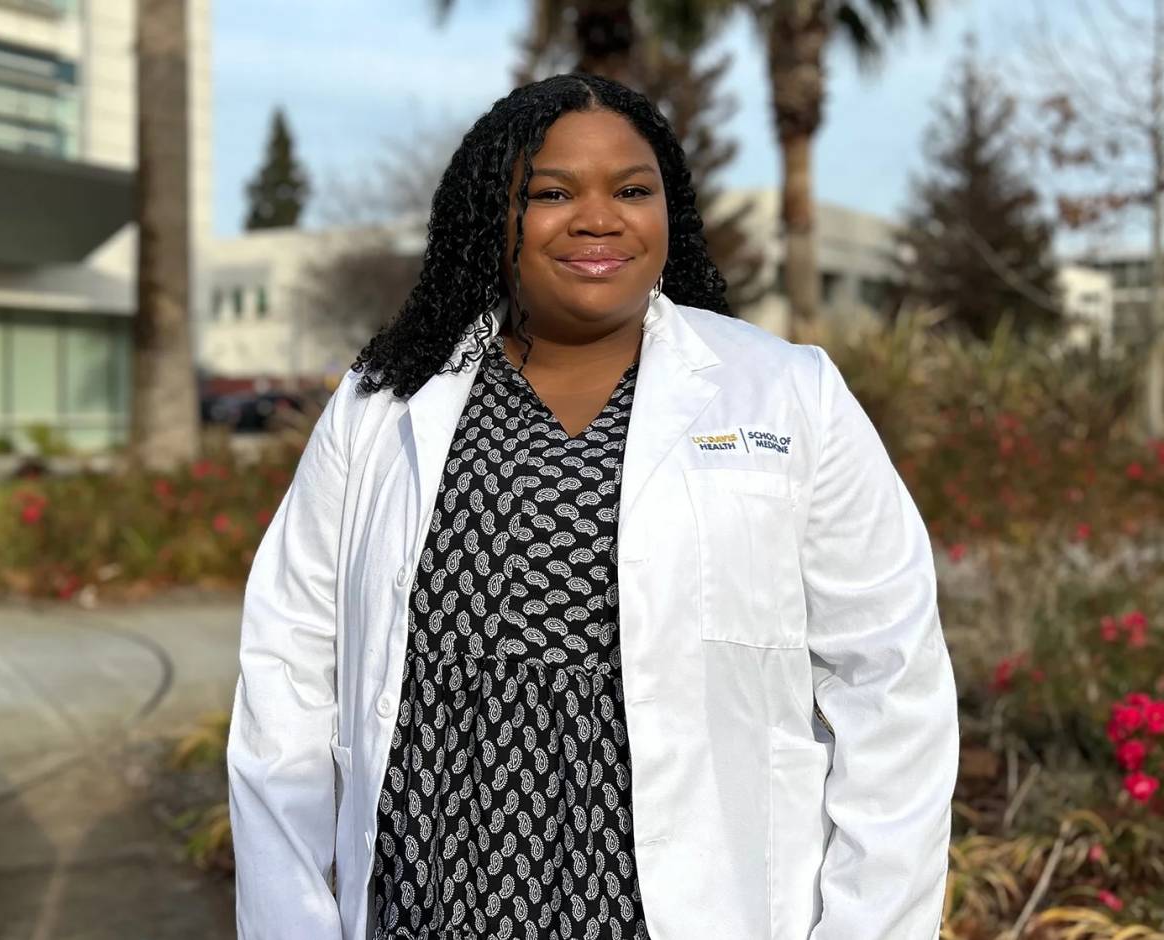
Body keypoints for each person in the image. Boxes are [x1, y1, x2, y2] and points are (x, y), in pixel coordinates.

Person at [226, 72, 958, 940]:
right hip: (433, 905)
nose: (599, 218)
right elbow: (288, 670)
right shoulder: (385, 403)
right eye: (551, 192)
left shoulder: (788, 395)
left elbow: (892, 682)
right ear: (491, 217)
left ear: (669, 212)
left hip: (695, 907)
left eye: (633, 190)